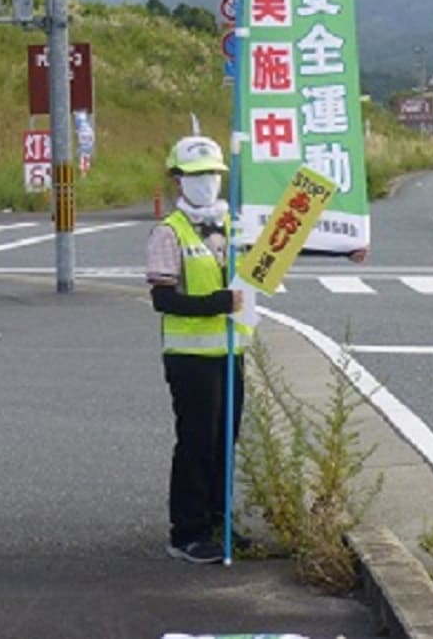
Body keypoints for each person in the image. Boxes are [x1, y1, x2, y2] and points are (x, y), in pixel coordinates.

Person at [146, 134, 367, 564]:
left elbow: (281, 244)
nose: (205, 182)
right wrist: (220, 303)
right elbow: (163, 298)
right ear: (177, 179)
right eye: (194, 175)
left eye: (211, 174)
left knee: (225, 441)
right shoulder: (168, 232)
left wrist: (346, 249)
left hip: (231, 352)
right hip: (190, 357)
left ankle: (219, 524)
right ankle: (186, 532)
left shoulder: (232, 225)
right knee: (196, 443)